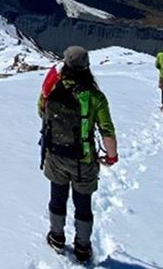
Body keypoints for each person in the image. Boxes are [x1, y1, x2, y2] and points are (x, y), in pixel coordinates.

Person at [38, 46, 118, 263]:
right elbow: (107, 131)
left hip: (55, 154)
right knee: (83, 204)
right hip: (83, 160)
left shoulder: (53, 88)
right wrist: (111, 157)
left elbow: (41, 112)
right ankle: (82, 248)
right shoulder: (95, 97)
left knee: (57, 197)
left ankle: (56, 237)